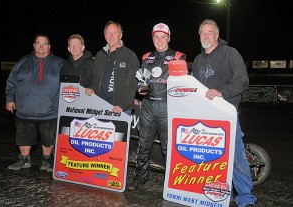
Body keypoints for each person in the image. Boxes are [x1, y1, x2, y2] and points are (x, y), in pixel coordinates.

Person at [191, 19, 257, 207]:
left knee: (236, 158)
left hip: (226, 115)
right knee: (210, 159)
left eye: (209, 32)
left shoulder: (230, 53)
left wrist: (222, 93)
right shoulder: (197, 60)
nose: (205, 36)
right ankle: (217, 195)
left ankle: (245, 198)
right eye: (202, 33)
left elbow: (242, 80)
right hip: (205, 117)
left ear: (217, 35)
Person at [128, 23, 186, 190]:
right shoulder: (146, 57)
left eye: (163, 37)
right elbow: (142, 86)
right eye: (156, 37)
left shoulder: (178, 56)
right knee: (144, 143)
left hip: (167, 105)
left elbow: (182, 85)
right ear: (152, 38)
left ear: (168, 38)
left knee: (168, 146)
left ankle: (172, 181)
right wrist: (140, 88)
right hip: (148, 105)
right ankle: (140, 177)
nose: (159, 40)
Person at [5, 33, 64, 172]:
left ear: (49, 46)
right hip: (25, 111)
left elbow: (70, 85)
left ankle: (47, 162)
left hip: (50, 112)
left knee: (48, 138)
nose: (41, 46)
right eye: (38, 43)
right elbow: (11, 81)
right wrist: (9, 99)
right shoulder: (23, 61)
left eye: (44, 43)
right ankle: (24, 160)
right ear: (34, 45)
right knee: (24, 137)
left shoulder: (60, 63)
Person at [90, 21, 139, 115]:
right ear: (105, 37)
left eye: (114, 33)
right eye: (108, 33)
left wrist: (122, 105)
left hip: (121, 109)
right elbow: (95, 78)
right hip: (100, 107)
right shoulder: (100, 55)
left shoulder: (129, 55)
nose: (111, 36)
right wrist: (91, 88)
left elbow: (132, 85)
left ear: (120, 35)